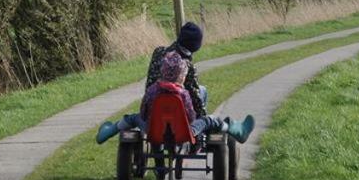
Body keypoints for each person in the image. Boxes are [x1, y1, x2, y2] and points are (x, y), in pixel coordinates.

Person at [96, 49, 254, 144]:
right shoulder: (183, 94)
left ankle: (109, 131)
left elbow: (143, 112)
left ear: (162, 72)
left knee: (132, 118)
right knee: (211, 120)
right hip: (184, 132)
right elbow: (191, 116)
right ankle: (236, 130)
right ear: (182, 76)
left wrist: (146, 119)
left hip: (153, 131)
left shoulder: (152, 90)